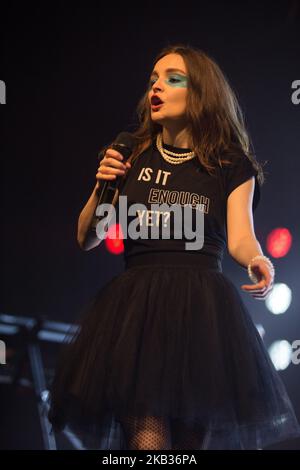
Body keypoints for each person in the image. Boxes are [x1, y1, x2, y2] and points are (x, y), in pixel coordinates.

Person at [48, 44, 300, 450]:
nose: (157, 87)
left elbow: (240, 236)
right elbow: (87, 237)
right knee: (148, 444)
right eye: (152, 80)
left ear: (200, 93)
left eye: (172, 78)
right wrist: (102, 186)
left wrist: (256, 259)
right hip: (137, 314)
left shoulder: (229, 164)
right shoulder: (131, 152)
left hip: (200, 314)